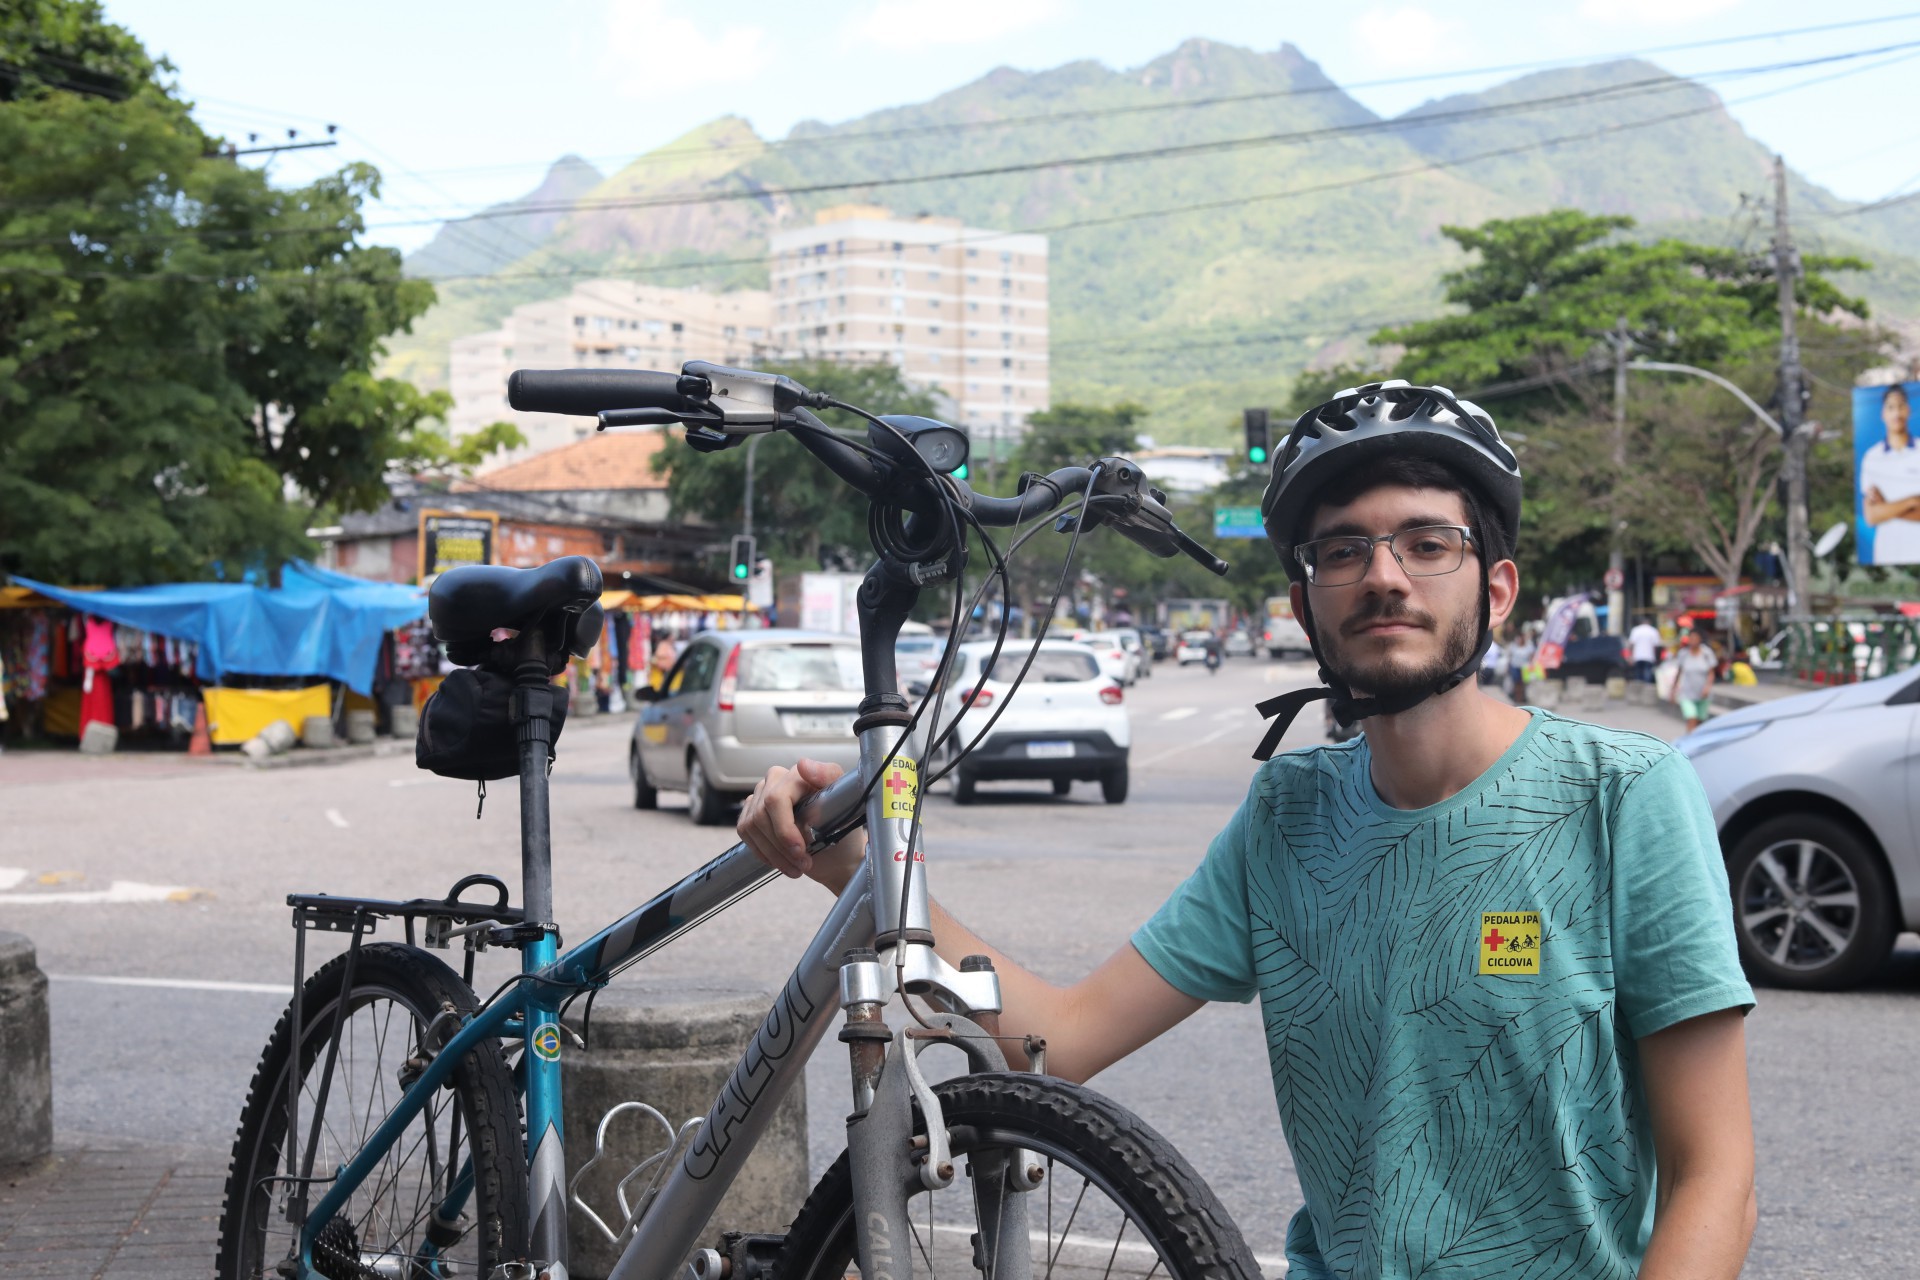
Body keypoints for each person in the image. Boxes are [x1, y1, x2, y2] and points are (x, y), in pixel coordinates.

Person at [739, 381, 1756, 1279]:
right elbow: (1060, 1038)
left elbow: (1718, 1174)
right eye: (1344, 548)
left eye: (1427, 541)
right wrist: (858, 870)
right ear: (1305, 602)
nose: (1385, 574)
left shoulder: (1623, 793)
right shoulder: (1289, 813)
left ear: (1496, 588)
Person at [1860, 384, 1920, 565]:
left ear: (1908, 410)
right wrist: (1911, 501)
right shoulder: (1872, 457)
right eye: (1891, 407)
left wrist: (1885, 507)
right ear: (1883, 414)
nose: (1897, 413)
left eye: (1901, 406)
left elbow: (1879, 512)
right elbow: (1871, 516)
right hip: (1887, 554)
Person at [1673, 629, 1719, 733]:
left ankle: (1696, 744)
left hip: (1703, 693)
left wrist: (1707, 687)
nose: (1693, 640)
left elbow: (1711, 673)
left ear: (1700, 639)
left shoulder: (1706, 653)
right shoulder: (1683, 654)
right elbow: (1679, 672)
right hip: (1687, 693)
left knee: (1700, 721)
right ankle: (1688, 744)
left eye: (1695, 637)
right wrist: (1673, 689)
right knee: (1691, 718)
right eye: (1691, 637)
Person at [1629, 614, 1663, 683]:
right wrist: (1657, 658)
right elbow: (1656, 646)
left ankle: (1638, 690)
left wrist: (1630, 656)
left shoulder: (1635, 630)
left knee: (1638, 675)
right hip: (1649, 657)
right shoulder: (1653, 631)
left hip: (1637, 656)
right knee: (1647, 676)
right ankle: (1646, 690)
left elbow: (1631, 645)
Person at [1505, 626, 1535, 700]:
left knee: (1523, 683)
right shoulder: (1513, 646)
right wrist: (1508, 667)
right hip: (1515, 666)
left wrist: (1531, 665)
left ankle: (1522, 697)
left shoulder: (1529, 646)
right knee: (1516, 683)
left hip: (1524, 668)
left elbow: (1531, 657)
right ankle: (1516, 697)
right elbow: (1510, 656)